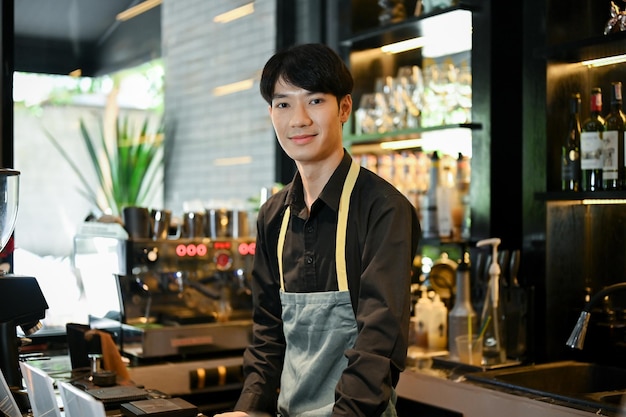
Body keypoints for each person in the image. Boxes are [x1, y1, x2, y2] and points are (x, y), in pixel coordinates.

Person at [216, 43, 421, 417]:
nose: (298, 120)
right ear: (271, 114)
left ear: (344, 108)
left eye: (314, 101)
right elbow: (268, 336)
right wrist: (247, 410)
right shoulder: (272, 217)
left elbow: (379, 345)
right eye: (283, 104)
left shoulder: (383, 209)